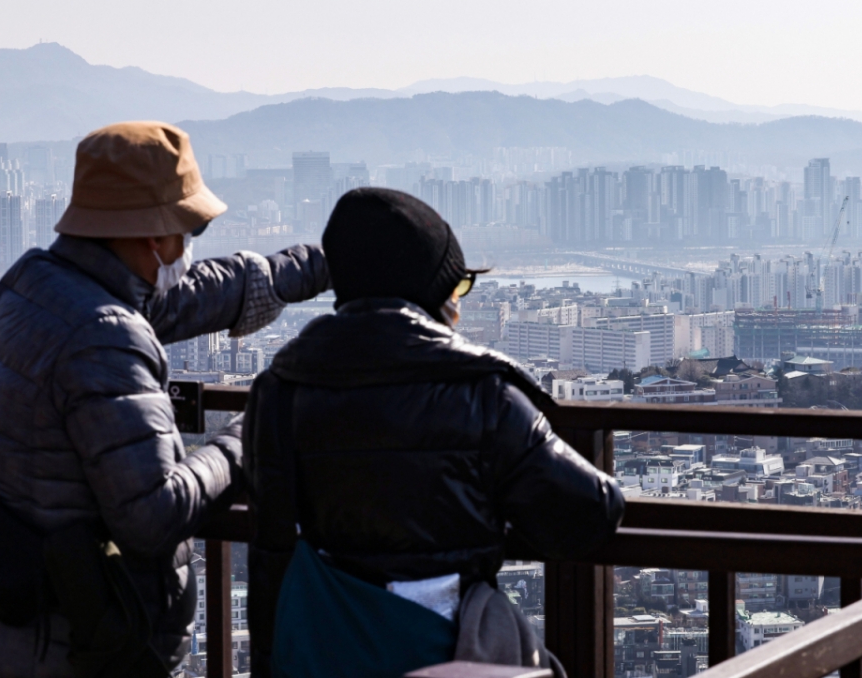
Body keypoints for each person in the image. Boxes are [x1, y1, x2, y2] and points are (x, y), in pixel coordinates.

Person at [0, 122, 331, 677]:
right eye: (187, 230)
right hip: (73, 649)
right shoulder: (100, 335)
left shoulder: (34, 282)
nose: (188, 247)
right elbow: (153, 514)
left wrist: (314, 266)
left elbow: (190, 297)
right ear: (153, 236)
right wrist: (249, 433)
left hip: (7, 624)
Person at [244, 188, 624, 677]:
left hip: (321, 649)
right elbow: (590, 510)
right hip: (447, 649)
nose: (459, 302)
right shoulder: (483, 394)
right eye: (458, 285)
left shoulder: (279, 390)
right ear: (433, 292)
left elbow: (271, 549)